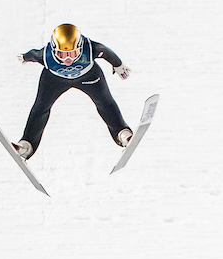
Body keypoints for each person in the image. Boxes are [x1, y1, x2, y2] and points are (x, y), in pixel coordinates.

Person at [13, 24, 133, 160]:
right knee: (40, 108)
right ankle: (26, 145)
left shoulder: (91, 48)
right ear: (53, 49)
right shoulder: (44, 55)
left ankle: (122, 134)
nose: (67, 59)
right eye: (62, 54)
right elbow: (32, 54)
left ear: (80, 47)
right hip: (54, 80)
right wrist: (24, 57)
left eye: (72, 53)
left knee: (105, 102)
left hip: (89, 76)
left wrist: (118, 65)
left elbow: (106, 52)